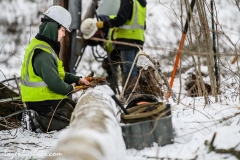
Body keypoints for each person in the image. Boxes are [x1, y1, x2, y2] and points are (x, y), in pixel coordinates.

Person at [20, 6, 90, 133]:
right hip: (42, 103)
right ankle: (36, 120)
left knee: (76, 110)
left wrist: (77, 79)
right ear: (53, 28)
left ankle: (40, 118)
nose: (64, 34)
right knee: (75, 119)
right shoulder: (43, 54)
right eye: (62, 30)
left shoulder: (45, 48)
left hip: (47, 100)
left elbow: (58, 75)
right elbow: (55, 83)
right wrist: (71, 88)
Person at [95, 0, 147, 97]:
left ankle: (129, 96)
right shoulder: (140, 3)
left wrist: (104, 24)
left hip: (127, 40)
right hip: (138, 39)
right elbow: (144, 25)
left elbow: (120, 20)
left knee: (128, 70)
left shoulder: (128, 1)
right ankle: (131, 95)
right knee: (132, 69)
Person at [81, 15, 122, 94]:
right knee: (107, 64)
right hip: (114, 50)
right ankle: (112, 89)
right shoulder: (100, 33)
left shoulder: (109, 25)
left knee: (125, 69)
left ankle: (125, 91)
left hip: (122, 47)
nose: (95, 38)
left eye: (94, 35)